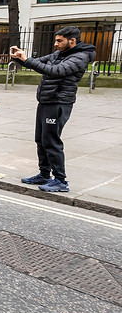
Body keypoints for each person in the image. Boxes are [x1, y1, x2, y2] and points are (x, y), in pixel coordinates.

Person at [11, 26, 96, 193]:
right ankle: (44, 174)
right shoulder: (59, 54)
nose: (55, 44)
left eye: (59, 41)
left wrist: (28, 61)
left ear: (72, 41)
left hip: (59, 103)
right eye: (55, 40)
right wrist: (21, 58)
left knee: (51, 141)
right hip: (46, 100)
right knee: (41, 140)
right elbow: (40, 63)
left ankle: (60, 180)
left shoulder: (80, 57)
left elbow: (55, 71)